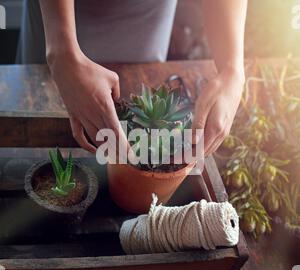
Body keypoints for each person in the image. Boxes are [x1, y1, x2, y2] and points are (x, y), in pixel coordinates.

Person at [18, 0, 247, 155]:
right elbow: (60, 57)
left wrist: (232, 67)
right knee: (38, 143)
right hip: (61, 18)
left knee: (134, 110)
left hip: (147, 13)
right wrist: (62, 53)